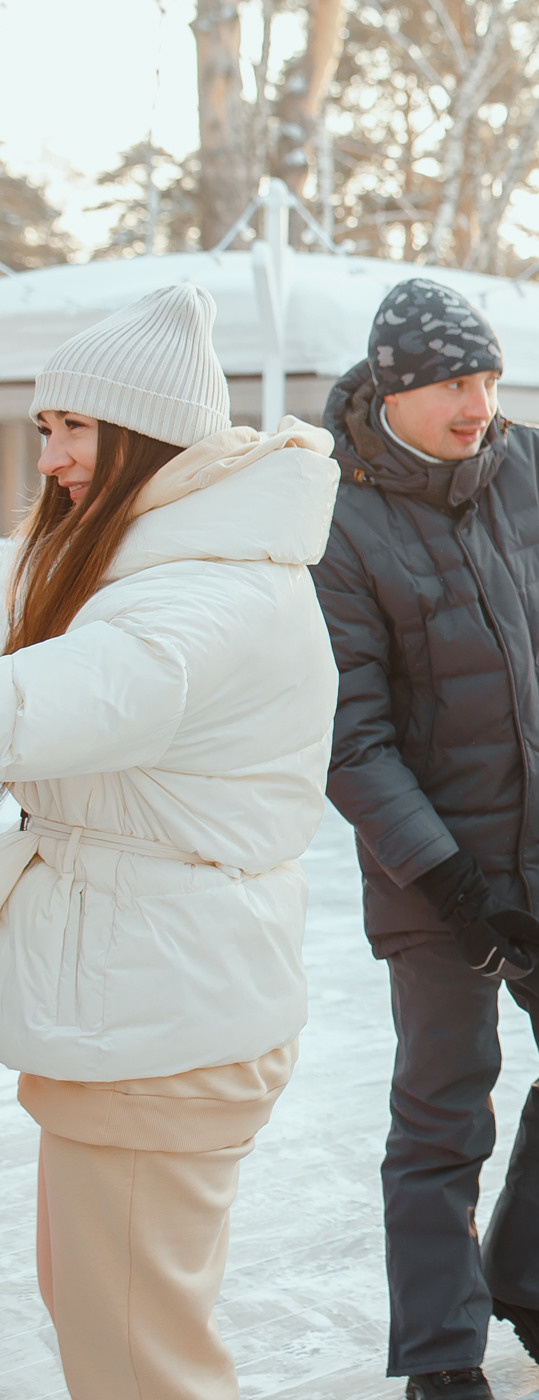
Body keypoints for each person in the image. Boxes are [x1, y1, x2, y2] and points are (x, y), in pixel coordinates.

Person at [315, 278, 539, 1400]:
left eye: (489, 378)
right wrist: (454, 885)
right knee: (441, 1114)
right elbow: (350, 735)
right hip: (438, 879)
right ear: (392, 387)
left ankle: (526, 1270)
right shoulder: (338, 521)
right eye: (455, 384)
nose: (480, 403)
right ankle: (440, 1349)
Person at [0, 284, 338, 1399]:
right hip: (140, 1010)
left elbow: (52, 703)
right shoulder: (158, 558)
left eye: (75, 428)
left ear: (145, 437)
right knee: (106, 1325)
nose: (50, 455)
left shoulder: (202, 594)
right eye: (45, 426)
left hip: (162, 1018)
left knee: (142, 1362)